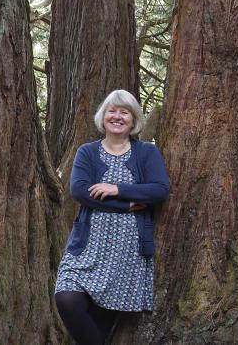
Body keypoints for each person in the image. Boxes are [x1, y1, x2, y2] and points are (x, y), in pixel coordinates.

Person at [54, 89, 170, 345]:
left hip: (126, 253)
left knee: (99, 324)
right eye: (112, 111)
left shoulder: (146, 153)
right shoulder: (87, 152)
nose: (117, 116)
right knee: (67, 298)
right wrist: (127, 205)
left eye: (124, 112)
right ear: (103, 116)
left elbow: (159, 189)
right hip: (86, 248)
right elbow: (79, 191)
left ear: (134, 119)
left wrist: (116, 189)